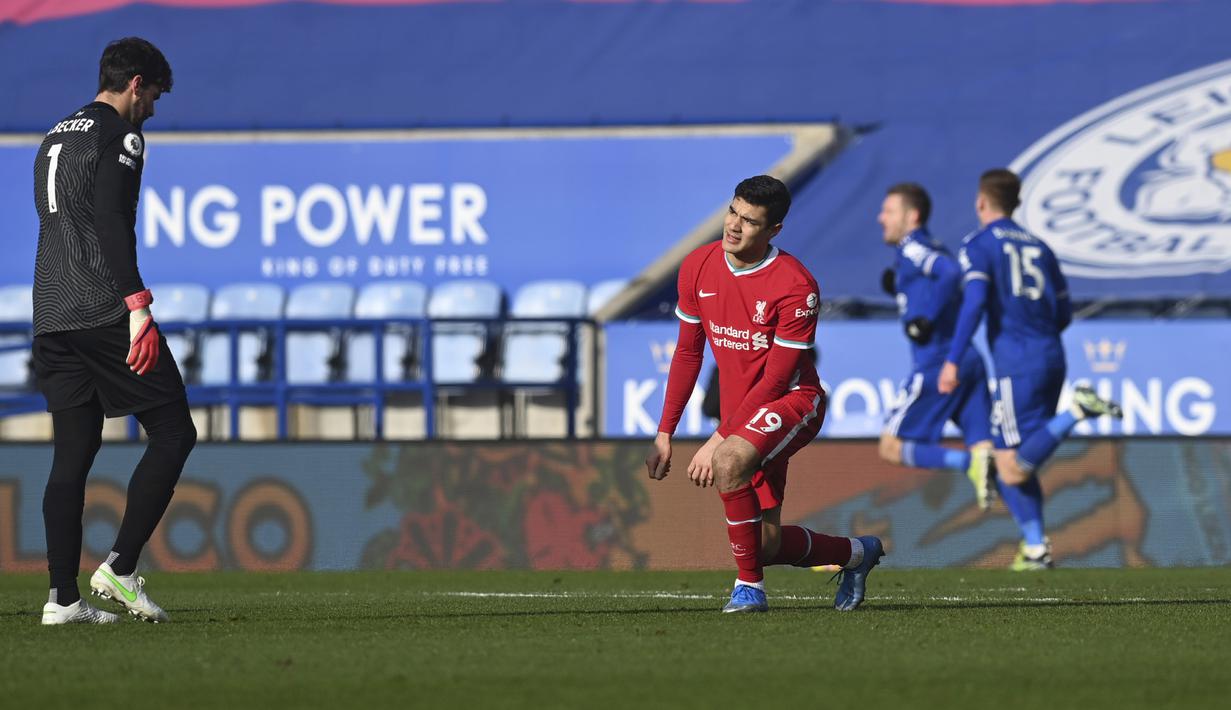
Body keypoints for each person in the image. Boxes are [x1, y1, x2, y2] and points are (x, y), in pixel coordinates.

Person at [644, 175, 883, 613]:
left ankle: (749, 590)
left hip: (794, 400)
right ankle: (857, 553)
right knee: (765, 544)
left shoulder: (795, 285)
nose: (734, 226)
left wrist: (718, 440)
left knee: (729, 461)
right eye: (732, 212)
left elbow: (776, 380)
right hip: (743, 413)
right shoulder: (698, 265)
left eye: (750, 221)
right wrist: (665, 432)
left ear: (774, 230)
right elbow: (687, 353)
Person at [33, 37, 195, 624]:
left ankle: (62, 600)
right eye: (152, 96)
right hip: (101, 308)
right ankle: (121, 569)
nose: (152, 109)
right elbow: (109, 222)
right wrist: (138, 305)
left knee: (72, 454)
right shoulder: (121, 136)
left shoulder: (55, 134)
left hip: (51, 312)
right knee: (175, 432)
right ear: (135, 85)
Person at [940, 169, 1122, 570]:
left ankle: (1077, 411)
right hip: (1051, 355)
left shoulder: (979, 243)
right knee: (1016, 455)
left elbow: (974, 302)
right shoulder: (1041, 247)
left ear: (981, 202)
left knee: (1010, 465)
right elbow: (1063, 313)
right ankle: (1037, 548)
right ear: (1016, 202)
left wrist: (953, 359)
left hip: (1013, 360)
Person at [876, 183, 997, 509]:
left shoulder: (912, 247)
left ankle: (964, 465)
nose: (880, 218)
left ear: (912, 216)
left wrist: (925, 318)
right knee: (986, 451)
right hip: (967, 358)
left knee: (890, 445)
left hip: (937, 361)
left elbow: (950, 272)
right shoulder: (928, 247)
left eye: (888, 211)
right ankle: (1034, 541)